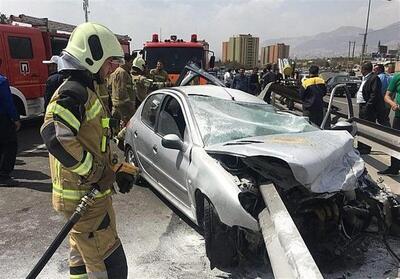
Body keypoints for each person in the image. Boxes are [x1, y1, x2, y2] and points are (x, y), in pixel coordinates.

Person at [41, 22, 135, 278]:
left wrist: (119, 168)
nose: (111, 69)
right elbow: (55, 136)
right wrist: (96, 173)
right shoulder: (73, 93)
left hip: (86, 197)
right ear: (91, 57)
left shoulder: (88, 92)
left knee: (81, 258)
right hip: (85, 198)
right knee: (109, 265)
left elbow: (96, 143)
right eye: (108, 62)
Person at [0, 64, 20, 186]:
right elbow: (8, 102)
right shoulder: (2, 81)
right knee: (10, 145)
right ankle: (4, 176)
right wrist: (16, 118)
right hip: (2, 118)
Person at [378, 72, 400, 175]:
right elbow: (387, 96)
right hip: (399, 117)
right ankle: (394, 168)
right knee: (395, 142)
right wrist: (393, 104)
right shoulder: (397, 77)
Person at [357, 62, 388, 126]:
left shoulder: (374, 78)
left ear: (364, 69)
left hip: (368, 106)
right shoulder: (365, 78)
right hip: (362, 105)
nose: (360, 71)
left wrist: (368, 106)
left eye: (361, 69)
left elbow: (374, 94)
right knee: (361, 123)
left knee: (367, 124)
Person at [108, 53, 135, 124]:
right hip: (123, 108)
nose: (132, 65)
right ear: (126, 62)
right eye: (131, 62)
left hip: (119, 106)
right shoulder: (122, 72)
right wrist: (130, 105)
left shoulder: (118, 71)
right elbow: (121, 90)